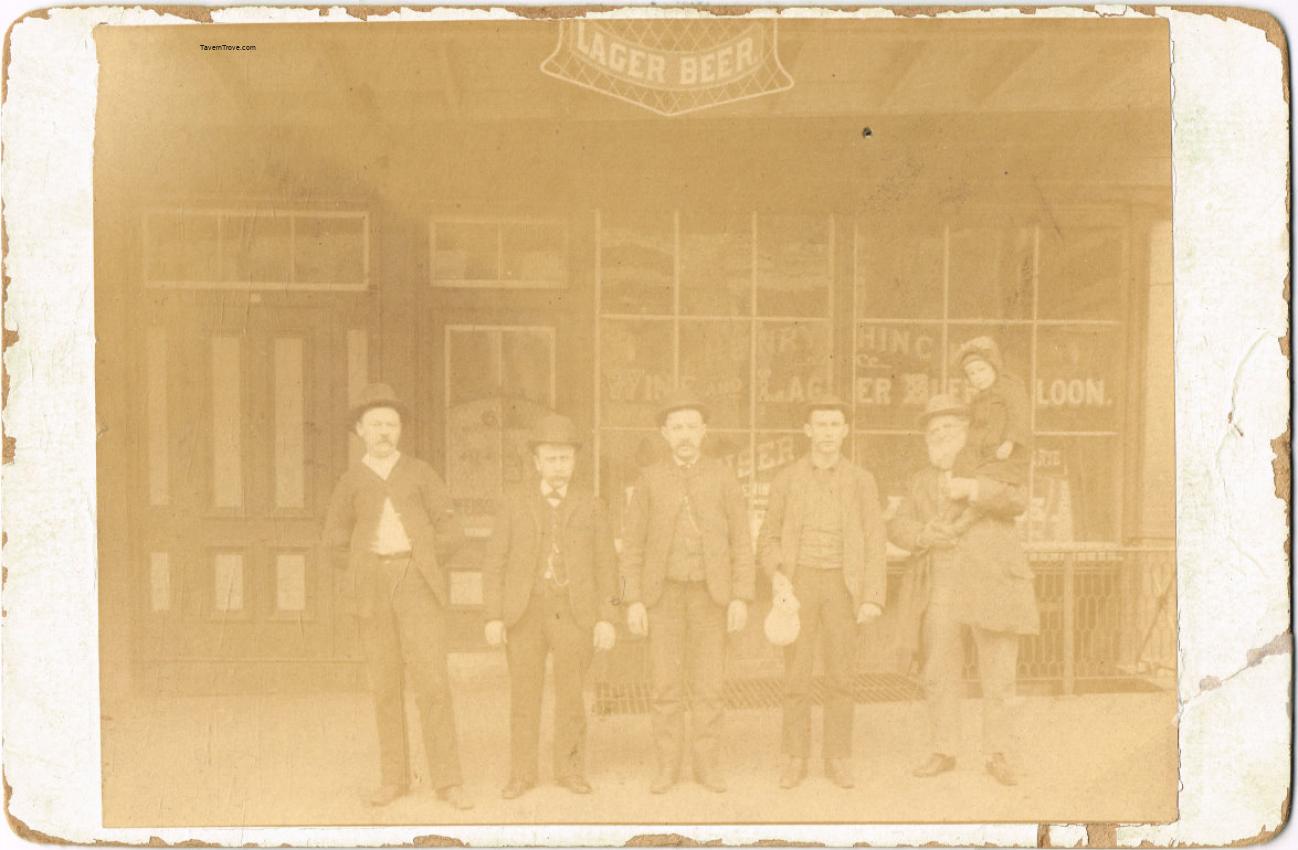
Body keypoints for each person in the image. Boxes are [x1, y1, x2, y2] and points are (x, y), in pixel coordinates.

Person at [320, 383, 473, 810]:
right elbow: (333, 541)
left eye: (391, 424)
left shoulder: (421, 473)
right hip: (372, 590)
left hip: (417, 585)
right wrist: (364, 569)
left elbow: (452, 532)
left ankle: (448, 781)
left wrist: (419, 561)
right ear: (360, 431)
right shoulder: (350, 482)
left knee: (433, 684)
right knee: (385, 686)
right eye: (375, 425)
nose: (384, 432)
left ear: (400, 430)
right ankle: (394, 778)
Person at [888, 394, 1040, 787]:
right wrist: (923, 534)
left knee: (999, 674)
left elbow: (1018, 500)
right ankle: (944, 748)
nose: (942, 436)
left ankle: (999, 753)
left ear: (968, 432)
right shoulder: (920, 481)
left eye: (950, 428)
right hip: (941, 582)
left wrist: (973, 488)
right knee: (938, 671)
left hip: (991, 581)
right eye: (934, 431)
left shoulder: (993, 468)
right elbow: (898, 525)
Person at [619, 390, 756, 794]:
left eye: (692, 427)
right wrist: (632, 600)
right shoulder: (648, 479)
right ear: (664, 433)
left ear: (704, 432)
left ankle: (707, 765)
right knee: (665, 687)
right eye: (676, 427)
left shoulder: (723, 476)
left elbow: (741, 543)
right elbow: (631, 546)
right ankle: (667, 767)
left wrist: (740, 597)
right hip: (662, 599)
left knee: (709, 687)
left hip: (710, 598)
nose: (684, 435)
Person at [481, 413, 619, 800]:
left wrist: (608, 617)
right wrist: (493, 614)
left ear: (574, 462)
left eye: (565, 458)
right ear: (536, 462)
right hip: (525, 612)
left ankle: (570, 769)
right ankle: (522, 773)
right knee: (524, 694)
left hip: (575, 612)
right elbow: (495, 562)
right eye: (551, 458)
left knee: (572, 694)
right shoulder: (513, 503)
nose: (559, 466)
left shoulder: (592, 505)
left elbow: (609, 566)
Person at [756, 395, 888, 790]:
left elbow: (874, 539)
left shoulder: (861, 481)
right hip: (800, 584)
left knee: (841, 676)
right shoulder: (787, 479)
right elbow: (769, 536)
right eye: (821, 425)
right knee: (796, 675)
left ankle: (837, 757)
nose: (828, 433)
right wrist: (778, 574)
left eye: (835, 425)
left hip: (842, 588)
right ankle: (795, 757)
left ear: (845, 431)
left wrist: (872, 596)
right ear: (807, 430)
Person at [945, 336, 1032, 536]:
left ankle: (963, 522)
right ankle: (950, 516)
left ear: (993, 367)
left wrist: (1010, 442)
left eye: (982, 370)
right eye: (972, 373)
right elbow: (975, 427)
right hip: (983, 451)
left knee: (986, 484)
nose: (978, 377)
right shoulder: (978, 398)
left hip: (1005, 454)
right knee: (963, 467)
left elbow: (1019, 414)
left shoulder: (1010, 386)